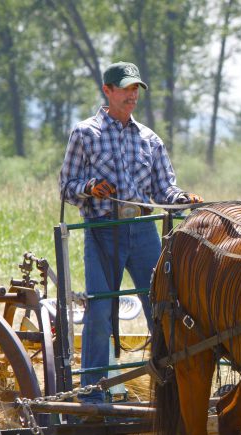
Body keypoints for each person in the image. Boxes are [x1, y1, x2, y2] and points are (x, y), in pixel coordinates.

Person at [59, 61, 202, 404]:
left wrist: (183, 199)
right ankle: (92, 395)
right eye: (125, 88)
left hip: (142, 232)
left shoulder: (150, 139)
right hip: (102, 230)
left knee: (162, 305)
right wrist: (90, 187)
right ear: (107, 90)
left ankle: (173, 389)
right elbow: (67, 187)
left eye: (136, 88)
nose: (132, 94)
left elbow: (164, 189)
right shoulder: (85, 133)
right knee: (100, 310)